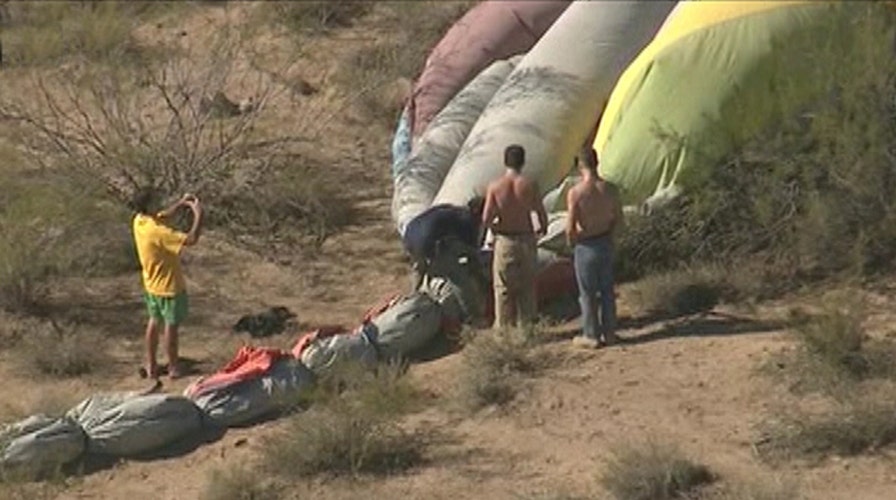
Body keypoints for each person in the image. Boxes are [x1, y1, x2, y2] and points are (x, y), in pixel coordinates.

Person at [130, 188, 203, 380]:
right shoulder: (159, 232)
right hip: (170, 287)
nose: (160, 202)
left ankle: (152, 365)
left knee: (154, 321)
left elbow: (163, 215)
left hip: (151, 284)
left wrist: (181, 204)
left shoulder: (140, 221)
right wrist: (198, 215)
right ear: (149, 205)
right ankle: (173, 367)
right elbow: (191, 239)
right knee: (171, 326)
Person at [482, 144, 548, 328]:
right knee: (527, 287)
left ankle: (503, 331)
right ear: (523, 162)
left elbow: (486, 218)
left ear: (505, 161)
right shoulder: (529, 185)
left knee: (503, 289)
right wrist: (543, 229)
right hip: (526, 238)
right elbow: (540, 212)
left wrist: (495, 228)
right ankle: (527, 329)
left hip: (505, 239)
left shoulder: (495, 187)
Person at [565, 148, 624, 348]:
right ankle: (610, 332)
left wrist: (572, 243)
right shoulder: (611, 189)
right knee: (607, 291)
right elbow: (619, 220)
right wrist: (612, 238)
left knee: (587, 293)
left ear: (580, 165)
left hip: (586, 244)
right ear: (596, 162)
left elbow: (570, 226)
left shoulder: (576, 193)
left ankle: (591, 334)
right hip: (605, 240)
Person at [402, 197, 485, 290]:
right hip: (426, 244)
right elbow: (472, 253)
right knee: (460, 275)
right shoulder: (468, 221)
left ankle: (416, 289)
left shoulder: (450, 209)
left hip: (409, 237)